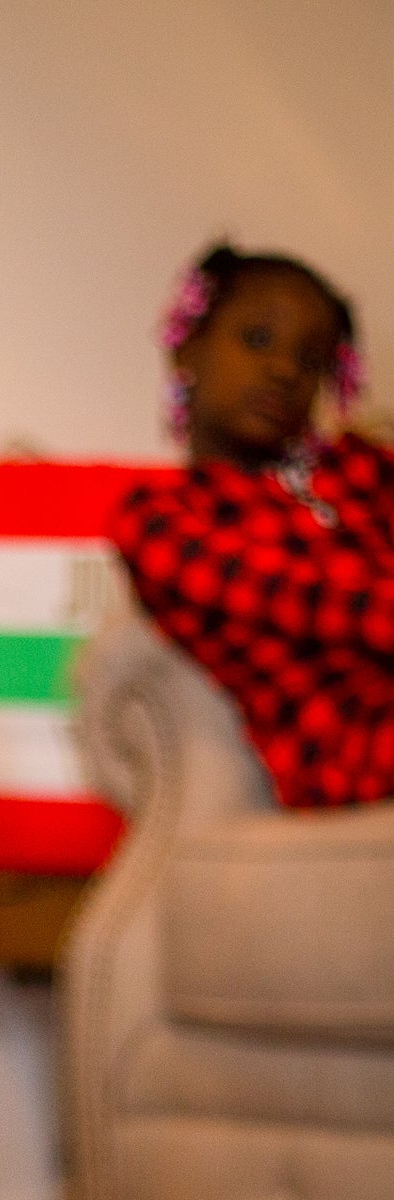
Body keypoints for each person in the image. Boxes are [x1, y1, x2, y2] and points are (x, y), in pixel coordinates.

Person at [111, 242, 394, 806]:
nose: (285, 369)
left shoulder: (358, 466)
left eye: (310, 359)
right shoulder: (159, 517)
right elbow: (304, 600)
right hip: (343, 751)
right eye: (258, 339)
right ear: (188, 348)